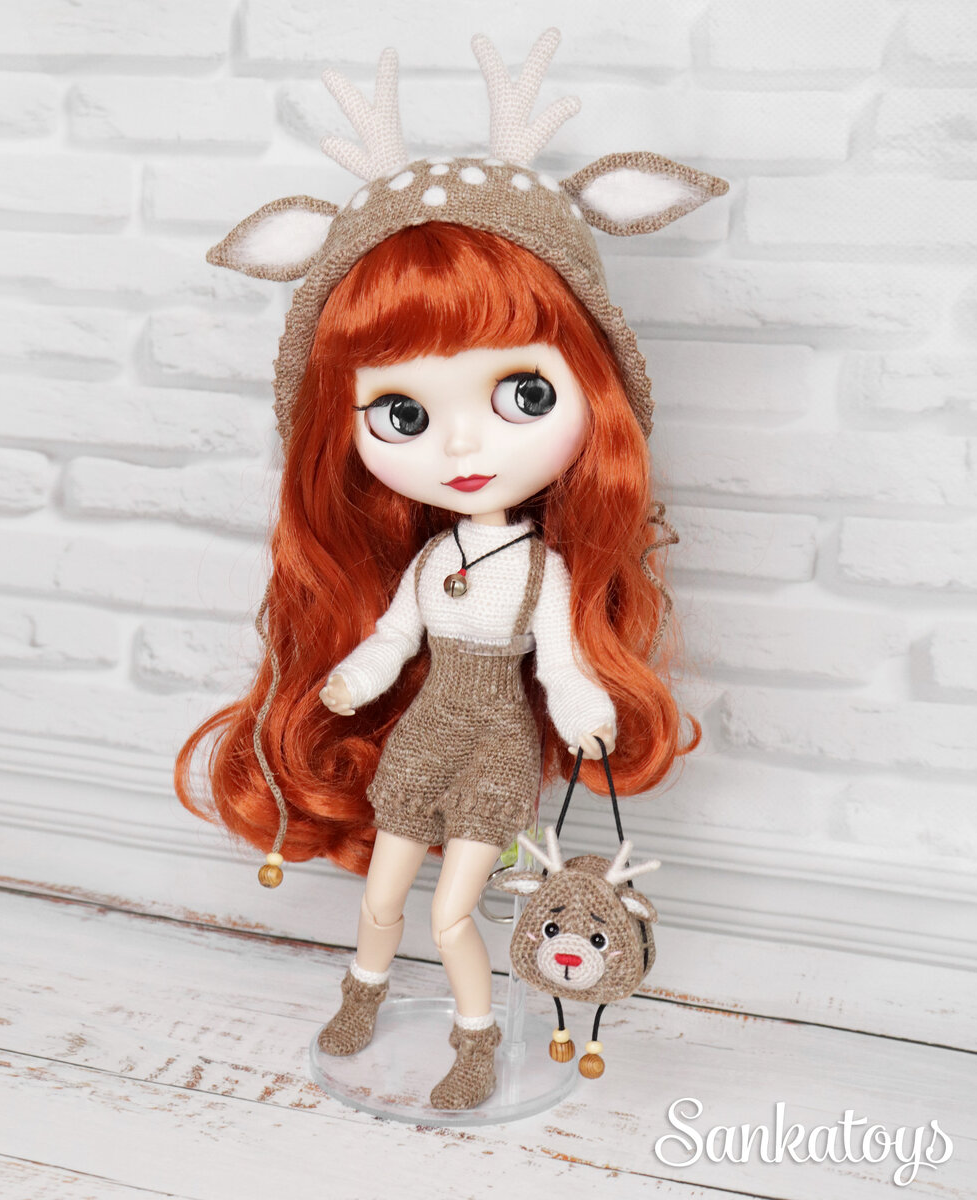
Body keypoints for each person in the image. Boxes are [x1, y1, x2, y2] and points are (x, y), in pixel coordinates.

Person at [175, 28, 726, 1111]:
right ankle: (362, 996)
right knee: (382, 901)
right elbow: (392, 635)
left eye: (523, 395)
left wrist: (579, 701)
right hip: (425, 731)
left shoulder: (538, 571)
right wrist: (355, 679)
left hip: (495, 747)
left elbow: (559, 659)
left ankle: (474, 1042)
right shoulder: (433, 562)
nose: (464, 448)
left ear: (597, 394)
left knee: (449, 911)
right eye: (404, 412)